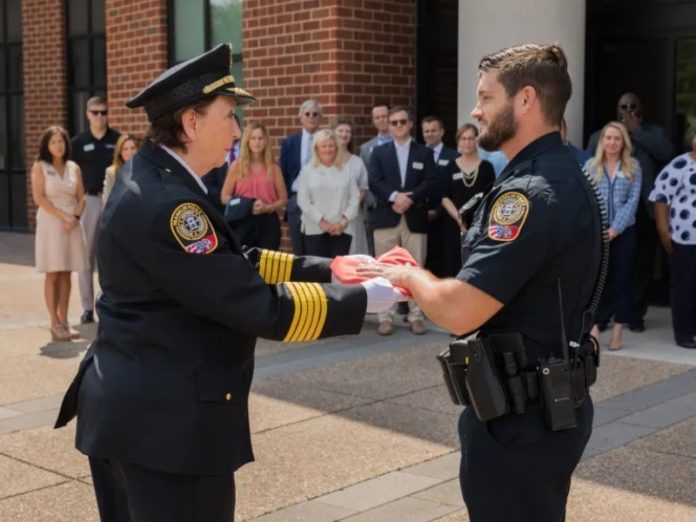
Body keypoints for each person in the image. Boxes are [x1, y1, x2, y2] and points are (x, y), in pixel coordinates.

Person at [53, 44, 401, 522]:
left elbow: (233, 259)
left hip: (137, 416)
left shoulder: (159, 175)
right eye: (228, 116)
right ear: (192, 123)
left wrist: (330, 268)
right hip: (166, 434)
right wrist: (364, 298)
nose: (237, 130)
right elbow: (254, 303)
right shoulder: (173, 206)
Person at [358, 43, 602, 522]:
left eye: (486, 97)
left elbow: (460, 309)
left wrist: (409, 275)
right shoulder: (564, 174)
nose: (475, 110)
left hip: (519, 424)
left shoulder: (529, 194)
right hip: (544, 410)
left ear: (526, 99)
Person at [587, 92, 673, 332]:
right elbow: (592, 158)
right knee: (605, 269)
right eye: (623, 106)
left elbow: (666, 152)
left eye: (633, 106)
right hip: (606, 220)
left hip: (643, 213)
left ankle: (634, 315)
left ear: (641, 110)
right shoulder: (601, 136)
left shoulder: (653, 133)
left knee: (639, 268)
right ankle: (603, 316)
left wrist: (636, 131)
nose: (627, 110)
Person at [368, 106, 438, 336]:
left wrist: (410, 199)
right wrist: (394, 197)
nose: (398, 126)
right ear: (388, 126)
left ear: (410, 124)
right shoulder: (379, 153)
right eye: (394, 122)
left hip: (415, 218)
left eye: (402, 122)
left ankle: (416, 316)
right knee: (384, 270)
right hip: (386, 218)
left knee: (416, 269)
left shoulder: (424, 153)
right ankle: (385, 316)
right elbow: (374, 182)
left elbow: (430, 182)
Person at [586, 122, 642, 351]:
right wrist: (600, 229)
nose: (612, 142)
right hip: (597, 233)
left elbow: (633, 201)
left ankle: (618, 331)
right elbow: (587, 200)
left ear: (623, 142)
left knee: (622, 281)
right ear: (602, 141)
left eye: (617, 138)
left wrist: (615, 229)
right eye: (608, 138)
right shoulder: (590, 166)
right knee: (597, 281)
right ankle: (595, 328)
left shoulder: (633, 167)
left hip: (624, 233)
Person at [31, 126, 87, 342]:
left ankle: (64, 320)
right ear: (47, 145)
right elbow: (39, 198)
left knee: (66, 272)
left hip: (72, 222)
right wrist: (63, 217)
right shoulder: (41, 166)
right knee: (53, 272)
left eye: (61, 141)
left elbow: (82, 196)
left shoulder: (74, 167)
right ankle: (54, 323)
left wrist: (75, 218)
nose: (58, 145)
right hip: (51, 222)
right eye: (53, 142)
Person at [71, 96, 121, 325]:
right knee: (85, 258)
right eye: (95, 112)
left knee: (111, 256)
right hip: (90, 201)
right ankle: (87, 308)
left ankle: (110, 305)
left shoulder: (117, 139)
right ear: (87, 114)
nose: (100, 116)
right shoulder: (79, 143)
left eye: (104, 112)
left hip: (113, 202)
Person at [649, 134, 696, 348]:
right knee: (684, 285)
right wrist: (663, 229)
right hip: (683, 238)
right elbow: (661, 197)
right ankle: (684, 333)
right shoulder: (680, 165)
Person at [220, 122, 287, 250]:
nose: (257, 142)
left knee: (267, 265)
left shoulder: (273, 167)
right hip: (242, 220)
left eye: (260, 138)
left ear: (266, 141)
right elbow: (224, 197)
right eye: (253, 138)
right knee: (244, 263)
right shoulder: (237, 166)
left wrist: (268, 207)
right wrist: (246, 203)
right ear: (247, 141)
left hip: (268, 222)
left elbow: (283, 199)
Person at [440, 123, 495, 277]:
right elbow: (444, 197)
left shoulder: (487, 167)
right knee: (453, 265)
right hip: (453, 226)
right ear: (458, 141)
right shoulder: (450, 167)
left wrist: (475, 220)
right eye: (463, 139)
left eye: (471, 138)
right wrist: (460, 219)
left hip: (479, 225)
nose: (467, 142)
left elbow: (489, 195)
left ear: (476, 140)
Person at [297, 129, 360, 257]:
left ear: (336, 148)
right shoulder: (307, 171)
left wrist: (342, 222)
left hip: (341, 230)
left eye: (331, 146)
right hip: (314, 229)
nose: (328, 149)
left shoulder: (346, 170)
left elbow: (355, 198)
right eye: (324, 146)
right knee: (317, 274)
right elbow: (303, 200)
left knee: (337, 272)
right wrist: (322, 222)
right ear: (317, 149)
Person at [280, 99, 323, 255]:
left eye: (315, 114)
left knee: (318, 249)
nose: (311, 117)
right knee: (298, 250)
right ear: (301, 117)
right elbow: (283, 173)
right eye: (307, 114)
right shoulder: (289, 143)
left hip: (321, 202)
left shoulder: (327, 142)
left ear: (320, 118)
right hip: (296, 201)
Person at [421, 115, 458, 277]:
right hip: (420, 217)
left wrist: (438, 211)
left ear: (441, 132)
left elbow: (453, 190)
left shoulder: (453, 157)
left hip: (444, 218)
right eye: (426, 131)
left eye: (433, 130)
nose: (430, 134)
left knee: (443, 259)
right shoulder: (418, 154)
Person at [332, 115, 370, 254]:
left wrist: (346, 214)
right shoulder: (324, 160)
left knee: (352, 258)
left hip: (351, 219)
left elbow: (363, 189)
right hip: (329, 219)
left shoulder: (357, 162)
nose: (344, 134)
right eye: (340, 130)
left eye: (347, 131)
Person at [360, 103, 392, 255]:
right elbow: (364, 178)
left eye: (384, 116)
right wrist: (372, 202)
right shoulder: (366, 148)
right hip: (375, 208)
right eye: (377, 117)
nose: (381, 120)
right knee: (375, 252)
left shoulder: (403, 143)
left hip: (397, 207)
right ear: (373, 121)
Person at [102, 134, 139, 205]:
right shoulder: (111, 172)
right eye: (125, 149)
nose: (130, 152)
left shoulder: (146, 170)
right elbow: (107, 200)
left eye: (133, 148)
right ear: (120, 152)